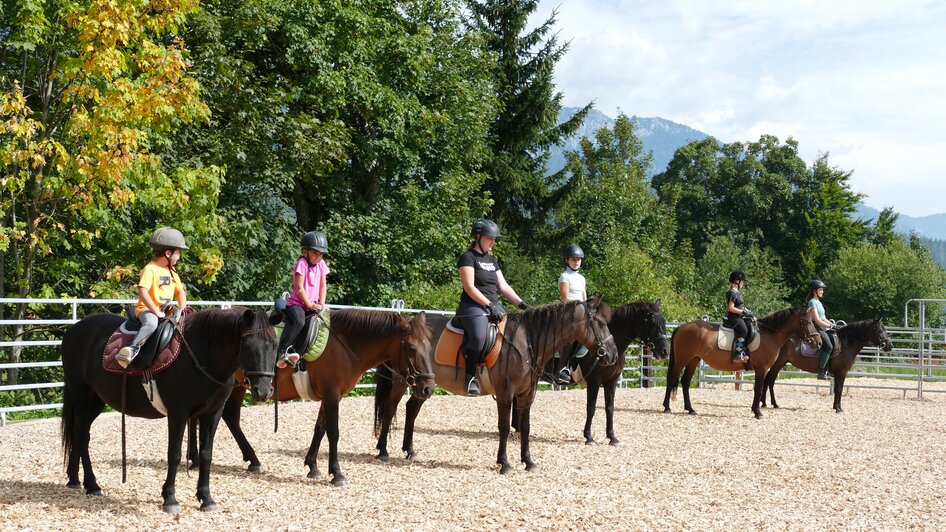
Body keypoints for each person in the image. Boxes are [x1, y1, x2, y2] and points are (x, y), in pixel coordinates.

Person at [456, 219, 529, 396]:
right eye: (490, 238)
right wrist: (488, 305)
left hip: (493, 306)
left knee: (516, 334)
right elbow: (469, 287)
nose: (493, 242)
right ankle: (470, 377)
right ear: (478, 237)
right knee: (480, 336)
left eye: (495, 239)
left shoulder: (492, 260)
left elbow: (503, 287)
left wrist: (522, 304)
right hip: (472, 306)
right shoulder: (468, 257)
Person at [117, 227, 189, 368]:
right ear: (168, 253)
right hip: (147, 310)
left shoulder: (172, 271)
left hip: (166, 309)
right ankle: (133, 348)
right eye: (178, 253)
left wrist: (183, 309)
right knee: (151, 323)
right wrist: (155, 312)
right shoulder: (150, 269)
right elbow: (143, 292)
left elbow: (180, 292)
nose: (179, 256)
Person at [277, 231, 330, 368]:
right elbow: (299, 288)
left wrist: (321, 303)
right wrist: (309, 305)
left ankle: (298, 353)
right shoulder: (301, 264)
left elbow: (323, 286)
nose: (318, 256)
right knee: (299, 321)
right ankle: (282, 350)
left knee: (317, 323)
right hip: (297, 304)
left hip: (312, 304)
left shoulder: (321, 264)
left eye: (320, 254)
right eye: (315, 253)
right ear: (305, 251)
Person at [554, 244, 589, 382]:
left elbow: (584, 298)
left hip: (582, 312)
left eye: (578, 259)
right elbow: (565, 298)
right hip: (569, 312)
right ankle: (563, 367)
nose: (576, 262)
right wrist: (579, 305)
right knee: (571, 337)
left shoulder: (582, 278)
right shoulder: (564, 277)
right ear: (566, 260)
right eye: (573, 259)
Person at [807, 279, 836, 380]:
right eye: (820, 290)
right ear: (814, 291)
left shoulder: (819, 302)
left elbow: (823, 317)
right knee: (828, 346)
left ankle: (830, 369)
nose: (822, 291)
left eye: (822, 290)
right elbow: (817, 320)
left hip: (822, 327)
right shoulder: (812, 302)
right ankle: (821, 371)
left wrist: (832, 324)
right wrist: (828, 326)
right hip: (816, 328)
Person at [725, 270, 753, 363]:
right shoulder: (732, 292)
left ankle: (745, 350)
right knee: (744, 330)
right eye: (742, 281)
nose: (743, 283)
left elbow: (739, 306)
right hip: (734, 317)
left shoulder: (737, 293)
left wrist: (747, 311)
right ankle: (738, 353)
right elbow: (730, 308)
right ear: (737, 281)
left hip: (738, 316)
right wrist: (743, 312)